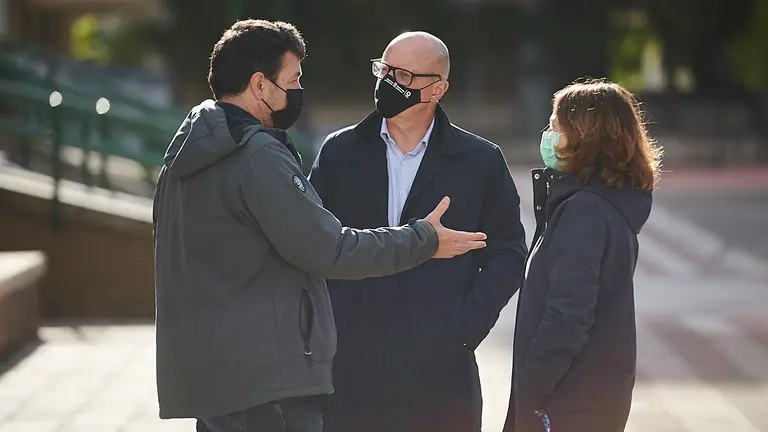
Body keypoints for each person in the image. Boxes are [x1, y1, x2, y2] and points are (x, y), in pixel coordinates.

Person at [152, 20, 488, 432]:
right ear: (260, 85)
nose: (299, 90)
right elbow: (331, 249)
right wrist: (424, 238)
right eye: (293, 79)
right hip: (266, 386)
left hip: (211, 381)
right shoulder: (256, 156)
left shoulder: (182, 158)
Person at [309, 32, 528, 432]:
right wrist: (330, 326)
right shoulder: (339, 152)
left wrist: (464, 329)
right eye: (385, 70)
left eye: (405, 76)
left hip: (440, 373)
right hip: (350, 367)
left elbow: (509, 253)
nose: (389, 82)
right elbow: (312, 243)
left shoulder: (479, 161)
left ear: (438, 89)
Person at [503, 79, 663, 432]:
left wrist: (531, 392)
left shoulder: (584, 211)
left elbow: (568, 313)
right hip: (592, 397)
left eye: (555, 127)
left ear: (584, 137)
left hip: (566, 404)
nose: (548, 137)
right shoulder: (609, 203)